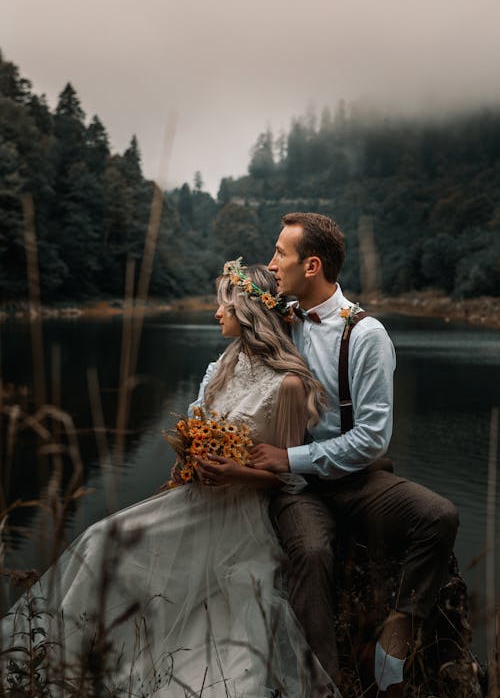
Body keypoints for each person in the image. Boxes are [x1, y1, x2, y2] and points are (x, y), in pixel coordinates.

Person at [1, 263, 340, 698]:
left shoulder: (289, 385)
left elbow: (286, 480)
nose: (217, 314)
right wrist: (190, 460)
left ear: (249, 312)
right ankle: (58, 665)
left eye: (225, 305)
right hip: (192, 497)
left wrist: (239, 472)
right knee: (100, 539)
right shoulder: (225, 365)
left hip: (239, 516)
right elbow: (199, 429)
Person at [250, 212, 459, 698]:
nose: (271, 263)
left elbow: (371, 440)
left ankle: (398, 630)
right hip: (300, 492)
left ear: (312, 265)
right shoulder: (280, 319)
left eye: (281, 253)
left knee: (440, 516)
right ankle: (322, 684)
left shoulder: (366, 336)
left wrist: (288, 458)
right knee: (313, 551)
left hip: (359, 481)